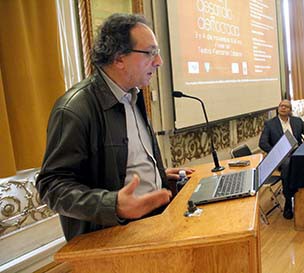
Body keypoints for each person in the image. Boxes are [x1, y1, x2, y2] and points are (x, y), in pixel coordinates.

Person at [36, 14, 193, 241]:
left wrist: (157, 175)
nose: (158, 61)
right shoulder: (74, 109)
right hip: (111, 238)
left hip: (154, 223)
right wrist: (113, 205)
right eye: (150, 53)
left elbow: (123, 163)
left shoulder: (134, 96)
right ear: (119, 58)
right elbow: (52, 186)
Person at [259, 99, 304, 219]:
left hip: (298, 152)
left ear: (290, 110)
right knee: (288, 165)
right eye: (281, 106)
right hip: (282, 157)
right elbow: (262, 143)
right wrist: (277, 152)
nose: (283, 108)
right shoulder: (270, 124)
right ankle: (289, 200)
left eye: (286, 106)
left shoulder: (297, 121)